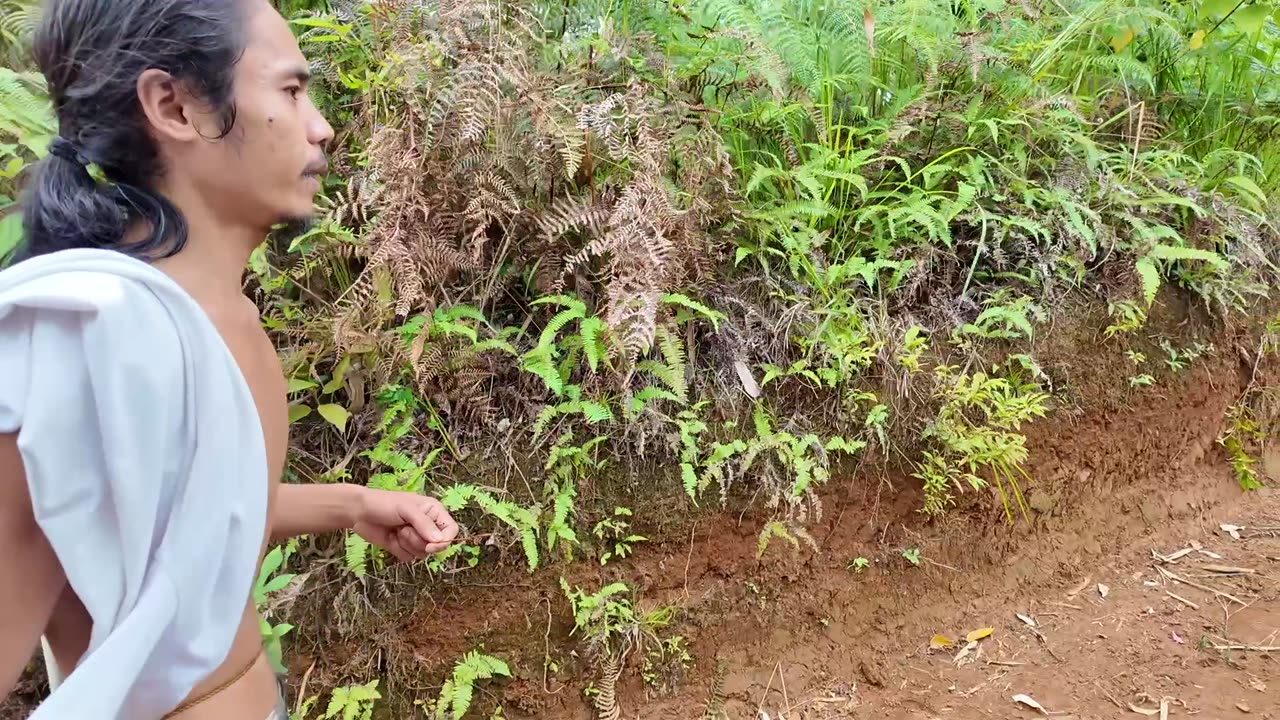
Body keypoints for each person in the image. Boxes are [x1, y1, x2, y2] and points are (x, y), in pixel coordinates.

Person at [0, 1, 460, 718]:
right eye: (289, 90)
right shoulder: (69, 344)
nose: (320, 126)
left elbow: (178, 520)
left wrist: (352, 504)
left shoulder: (216, 316)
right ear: (174, 105)